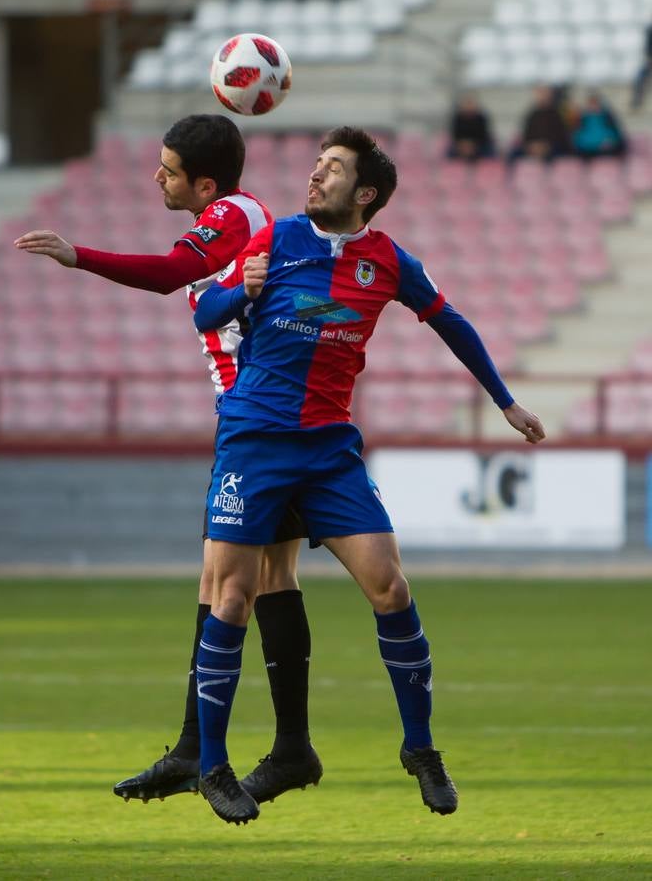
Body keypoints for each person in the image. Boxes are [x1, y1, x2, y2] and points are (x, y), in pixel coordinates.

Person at [191, 126, 546, 825]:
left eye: (331, 170)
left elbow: (452, 323)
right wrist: (241, 291)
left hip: (329, 451)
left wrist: (504, 400)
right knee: (231, 597)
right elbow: (205, 309)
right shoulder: (274, 240)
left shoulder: (388, 261)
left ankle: (421, 748)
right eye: (317, 166)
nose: (315, 177)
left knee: (390, 586)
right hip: (253, 443)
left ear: (367, 193)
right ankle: (210, 765)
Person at [14, 114, 322, 807]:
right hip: (257, 418)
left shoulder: (233, 215)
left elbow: (172, 275)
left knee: (229, 581)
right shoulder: (234, 217)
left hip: (263, 423)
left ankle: (209, 750)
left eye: (169, 168)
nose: (157, 176)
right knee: (260, 576)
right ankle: (265, 747)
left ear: (204, 183)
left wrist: (78, 255)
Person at [507, 85, 571, 163]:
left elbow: (562, 137)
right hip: (533, 146)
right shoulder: (532, 114)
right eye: (540, 93)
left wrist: (545, 146)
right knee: (512, 155)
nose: (542, 96)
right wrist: (531, 146)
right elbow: (526, 135)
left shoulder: (556, 115)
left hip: (552, 148)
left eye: (544, 93)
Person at [572, 91, 628, 160]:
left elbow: (616, 134)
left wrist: (610, 141)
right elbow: (578, 137)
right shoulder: (583, 118)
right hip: (587, 149)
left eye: (595, 103)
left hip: (606, 149)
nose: (593, 106)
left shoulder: (607, 117)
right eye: (591, 104)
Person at [446, 92, 496, 161]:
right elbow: (455, 135)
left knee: (491, 153)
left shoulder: (481, 118)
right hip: (461, 146)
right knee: (449, 154)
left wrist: (473, 146)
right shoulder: (457, 118)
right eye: (466, 103)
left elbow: (484, 135)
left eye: (470, 103)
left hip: (479, 145)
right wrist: (463, 145)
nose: (468, 106)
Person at [631, 18, 652, 111]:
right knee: (640, 78)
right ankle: (637, 102)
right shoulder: (649, 29)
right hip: (650, 59)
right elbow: (647, 47)